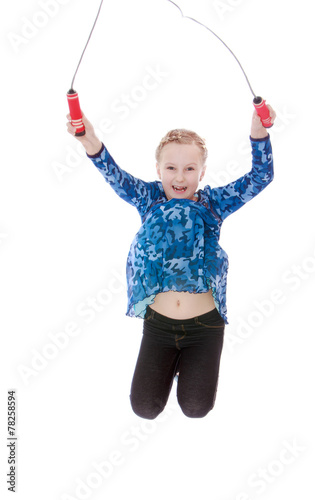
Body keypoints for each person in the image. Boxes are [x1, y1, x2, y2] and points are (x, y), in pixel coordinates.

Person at [66, 105, 276, 419]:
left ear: (202, 172)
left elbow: (261, 177)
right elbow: (115, 175)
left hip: (204, 326)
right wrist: (89, 140)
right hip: (159, 326)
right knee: (145, 408)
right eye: (171, 168)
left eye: (190, 169)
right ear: (158, 169)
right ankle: (175, 362)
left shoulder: (213, 204)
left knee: (195, 408)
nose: (180, 177)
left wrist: (258, 135)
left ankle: (192, 365)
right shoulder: (148, 198)